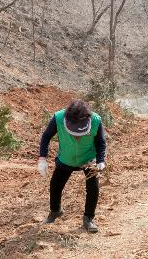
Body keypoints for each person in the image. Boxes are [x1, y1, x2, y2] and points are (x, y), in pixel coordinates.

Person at [37, 100, 106, 233]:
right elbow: (46, 136)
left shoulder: (95, 120)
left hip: (88, 159)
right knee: (55, 185)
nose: (76, 136)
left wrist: (100, 160)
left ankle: (88, 218)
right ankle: (55, 211)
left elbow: (101, 142)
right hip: (66, 159)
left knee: (93, 187)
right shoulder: (58, 118)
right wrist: (42, 158)